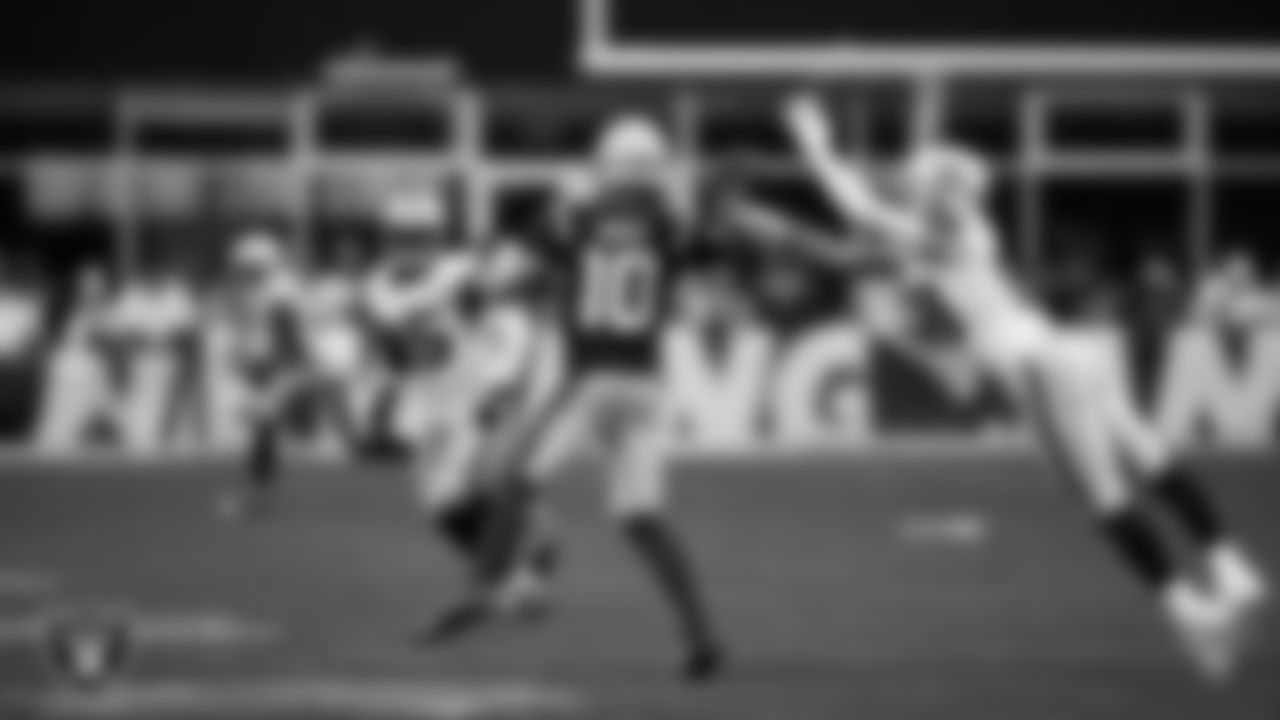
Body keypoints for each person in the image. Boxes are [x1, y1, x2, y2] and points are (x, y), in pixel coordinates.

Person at [781, 93, 1268, 683]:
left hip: (1038, 367)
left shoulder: (947, 229)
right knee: (1148, 453)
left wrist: (814, 144)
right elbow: (874, 218)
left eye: (923, 182)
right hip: (1063, 347)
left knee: (1104, 497)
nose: (910, 186)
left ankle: (1192, 612)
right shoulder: (961, 230)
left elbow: (863, 211)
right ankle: (1228, 564)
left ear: (944, 190)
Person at [431, 115, 727, 682]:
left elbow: (500, 279)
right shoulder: (669, 222)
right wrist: (714, 207)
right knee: (643, 518)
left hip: (591, 377)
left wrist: (480, 285)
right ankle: (701, 637)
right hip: (645, 383)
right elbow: (710, 258)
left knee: (514, 482)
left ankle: (479, 594)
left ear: (606, 162)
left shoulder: (573, 216)